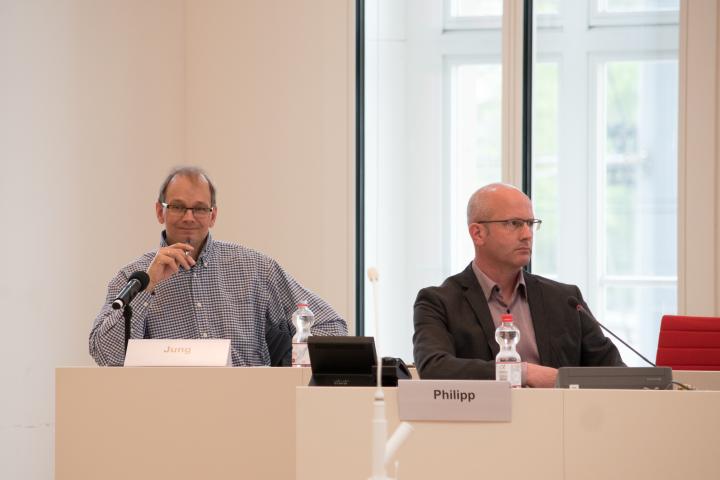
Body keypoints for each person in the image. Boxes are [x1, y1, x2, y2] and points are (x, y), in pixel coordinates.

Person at [89, 166, 347, 366]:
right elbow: (105, 354)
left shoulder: (255, 268)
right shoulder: (135, 277)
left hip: (249, 411)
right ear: (160, 211)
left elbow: (331, 327)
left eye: (200, 209)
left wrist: (292, 370)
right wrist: (148, 287)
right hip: (167, 413)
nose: (189, 217)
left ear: (213, 215)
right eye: (178, 207)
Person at [412, 183, 624, 387]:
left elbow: (615, 373)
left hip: (558, 421)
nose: (527, 235)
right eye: (513, 223)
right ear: (478, 234)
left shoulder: (565, 299)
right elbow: (435, 367)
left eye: (530, 223)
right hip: (486, 421)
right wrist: (523, 372)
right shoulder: (439, 302)